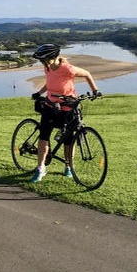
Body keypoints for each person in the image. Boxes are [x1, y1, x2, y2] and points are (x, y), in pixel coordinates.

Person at [28, 44, 100, 183]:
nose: (43, 63)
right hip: (50, 107)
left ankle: (68, 167)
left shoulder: (67, 69)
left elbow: (87, 74)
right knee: (43, 137)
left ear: (53, 57)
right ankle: (40, 168)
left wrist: (95, 90)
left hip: (68, 108)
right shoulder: (48, 67)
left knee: (68, 141)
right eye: (42, 61)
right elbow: (50, 83)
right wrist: (39, 93)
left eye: (45, 60)